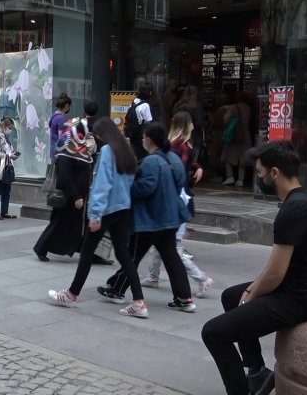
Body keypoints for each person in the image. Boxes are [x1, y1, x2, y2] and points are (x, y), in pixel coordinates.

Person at [202, 141, 307, 395]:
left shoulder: (292, 211)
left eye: (260, 173)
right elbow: (276, 266)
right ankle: (257, 371)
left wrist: (252, 296)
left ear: (275, 173)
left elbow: (275, 275)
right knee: (231, 296)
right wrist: (252, 288)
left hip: (300, 298)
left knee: (213, 333)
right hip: (298, 286)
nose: (259, 178)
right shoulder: (305, 198)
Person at [47, 117, 146, 317]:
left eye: (97, 136)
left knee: (86, 252)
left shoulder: (108, 152)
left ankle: (72, 294)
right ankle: (139, 302)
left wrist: (95, 214)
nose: (97, 139)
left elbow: (102, 184)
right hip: (123, 209)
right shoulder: (127, 152)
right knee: (124, 256)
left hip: (106, 210)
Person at [101, 121, 196, 313]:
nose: (142, 140)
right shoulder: (174, 159)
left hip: (150, 219)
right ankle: (184, 297)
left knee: (132, 256)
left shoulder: (151, 162)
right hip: (170, 218)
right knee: (171, 257)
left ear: (149, 139)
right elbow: (179, 184)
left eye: (144, 137)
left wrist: (128, 186)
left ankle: (116, 289)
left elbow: (145, 187)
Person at [142, 111, 214, 297]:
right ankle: (152, 276)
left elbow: (177, 172)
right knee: (160, 242)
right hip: (180, 198)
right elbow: (183, 168)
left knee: (173, 248)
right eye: (190, 123)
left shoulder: (178, 145)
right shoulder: (181, 144)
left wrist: (195, 169)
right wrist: (196, 169)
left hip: (176, 199)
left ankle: (201, 278)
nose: (193, 126)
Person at [34, 118, 94, 262]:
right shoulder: (66, 149)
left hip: (79, 197)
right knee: (58, 224)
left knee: (73, 225)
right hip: (69, 197)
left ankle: (85, 251)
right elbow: (64, 177)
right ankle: (41, 248)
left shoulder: (79, 148)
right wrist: (76, 196)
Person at [221, 91, 252, 187]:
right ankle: (240, 179)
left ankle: (230, 177)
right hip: (245, 134)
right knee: (243, 158)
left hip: (234, 134)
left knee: (228, 156)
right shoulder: (248, 108)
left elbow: (226, 119)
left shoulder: (233, 107)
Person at [125, 82, 154, 160]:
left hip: (132, 134)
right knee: (142, 157)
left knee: (136, 155)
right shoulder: (145, 105)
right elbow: (148, 123)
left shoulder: (134, 102)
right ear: (150, 93)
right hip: (141, 136)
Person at [48, 93, 71, 160]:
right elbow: (61, 137)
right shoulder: (61, 118)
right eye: (69, 105)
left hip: (53, 149)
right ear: (66, 105)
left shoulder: (54, 115)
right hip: (58, 152)